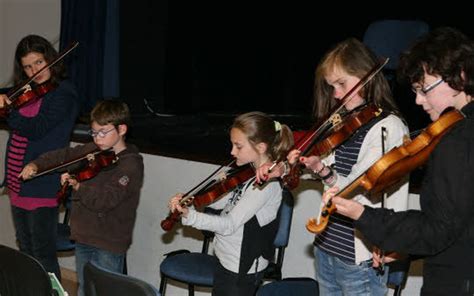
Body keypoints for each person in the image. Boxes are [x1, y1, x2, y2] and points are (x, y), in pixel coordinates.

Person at [328, 27, 474, 295]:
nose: (418, 100)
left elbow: (438, 229)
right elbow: (461, 226)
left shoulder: (457, 141)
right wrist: (405, 249)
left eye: (424, 89)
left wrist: (364, 215)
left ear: (460, 77)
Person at [258, 38, 410, 295]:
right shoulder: (346, 123)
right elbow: (319, 163)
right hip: (327, 245)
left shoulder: (388, 127)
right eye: (332, 87)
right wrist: (283, 169)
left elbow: (358, 186)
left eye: (342, 84)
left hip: (360, 256)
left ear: (366, 77)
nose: (337, 94)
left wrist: (323, 171)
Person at [19, 100, 144, 296]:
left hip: (108, 242)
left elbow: (106, 200)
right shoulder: (92, 151)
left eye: (103, 132)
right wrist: (37, 165)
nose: (97, 138)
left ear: (121, 129)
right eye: (94, 132)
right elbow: (63, 156)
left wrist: (78, 186)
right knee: (85, 289)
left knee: (105, 292)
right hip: (84, 235)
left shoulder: (130, 166)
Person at [169, 111, 293, 296]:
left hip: (240, 268)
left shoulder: (266, 186)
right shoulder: (248, 173)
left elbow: (229, 224)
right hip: (225, 258)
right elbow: (224, 205)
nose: (232, 152)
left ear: (260, 147)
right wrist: (191, 202)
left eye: (238, 146)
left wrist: (190, 216)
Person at [0, 34, 80, 280]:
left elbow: (37, 128)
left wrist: (7, 112)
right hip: (18, 183)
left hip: (42, 182)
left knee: (43, 254)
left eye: (38, 62)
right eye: (27, 66)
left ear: (50, 60)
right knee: (25, 252)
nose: (34, 70)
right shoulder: (28, 91)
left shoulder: (64, 93)